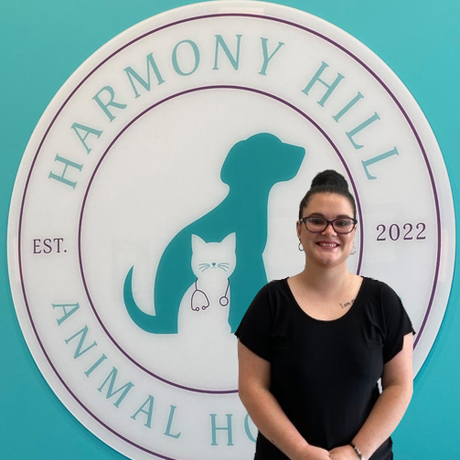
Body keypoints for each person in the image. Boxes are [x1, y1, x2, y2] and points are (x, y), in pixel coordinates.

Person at [236, 170, 414, 460]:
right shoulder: (270, 302)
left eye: (342, 223)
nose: (329, 231)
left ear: (353, 231)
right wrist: (301, 452)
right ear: (299, 229)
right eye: (317, 221)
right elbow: (252, 388)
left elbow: (399, 385)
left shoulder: (383, 301)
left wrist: (357, 453)